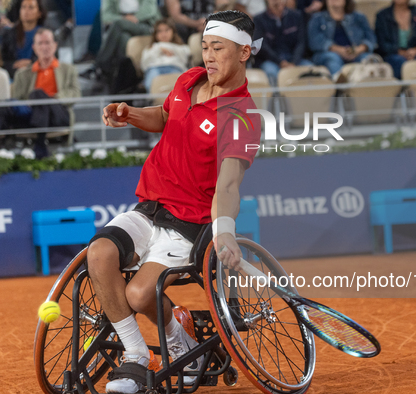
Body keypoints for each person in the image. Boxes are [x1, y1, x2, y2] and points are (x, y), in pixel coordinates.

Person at [93, 9, 261, 394]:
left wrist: (225, 231)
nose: (209, 56)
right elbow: (167, 116)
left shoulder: (245, 117)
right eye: (205, 47)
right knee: (99, 253)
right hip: (150, 206)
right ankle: (136, 354)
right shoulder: (188, 80)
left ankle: (184, 339)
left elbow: (230, 184)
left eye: (218, 48)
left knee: (138, 293)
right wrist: (132, 114)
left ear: (243, 52)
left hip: (190, 222)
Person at [0, 28, 80, 158]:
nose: (44, 47)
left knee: (38, 94)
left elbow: (75, 93)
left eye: (47, 43)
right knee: (3, 105)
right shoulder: (23, 74)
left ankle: (40, 143)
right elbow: (18, 99)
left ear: (55, 46)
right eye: (40, 43)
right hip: (32, 115)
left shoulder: (68, 70)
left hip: (58, 114)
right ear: (34, 48)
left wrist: (52, 98)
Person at [94, 0, 160, 79]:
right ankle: (122, 78)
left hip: (145, 24)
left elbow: (149, 10)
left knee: (118, 24)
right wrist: (123, 18)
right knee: (124, 38)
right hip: (122, 26)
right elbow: (106, 17)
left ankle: (100, 65)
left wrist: (132, 18)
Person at [307, 0, 376, 76]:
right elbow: (314, 42)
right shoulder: (317, 18)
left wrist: (358, 50)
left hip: (356, 52)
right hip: (329, 54)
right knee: (333, 58)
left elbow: (371, 39)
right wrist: (338, 50)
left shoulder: (359, 17)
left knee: (368, 58)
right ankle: (339, 82)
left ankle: (366, 85)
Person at [253, 0, 312, 85]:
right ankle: (275, 98)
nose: (277, 2)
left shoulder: (297, 15)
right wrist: (280, 62)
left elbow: (301, 42)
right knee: (270, 72)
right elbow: (262, 46)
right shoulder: (259, 19)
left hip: (294, 59)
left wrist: (294, 62)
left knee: (310, 69)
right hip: (271, 60)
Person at [375, 0, 416, 79]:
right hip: (393, 54)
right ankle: (399, 89)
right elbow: (382, 44)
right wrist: (400, 52)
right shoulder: (382, 15)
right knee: (399, 61)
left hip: (415, 52)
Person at [140, 19, 190, 92]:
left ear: (173, 31)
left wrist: (170, 49)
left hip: (174, 67)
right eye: (160, 31)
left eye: (167, 30)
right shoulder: (150, 48)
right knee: (151, 79)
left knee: (179, 83)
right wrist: (159, 49)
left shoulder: (182, 47)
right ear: (155, 34)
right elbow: (144, 65)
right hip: (154, 68)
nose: (163, 34)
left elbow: (186, 60)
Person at [0, 0, 46, 78]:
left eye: (31, 7)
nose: (26, 11)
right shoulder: (9, 34)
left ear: (39, 13)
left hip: (38, 75)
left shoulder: (46, 35)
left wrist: (31, 63)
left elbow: (50, 58)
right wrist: (13, 64)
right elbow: (2, 59)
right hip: (13, 75)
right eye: (23, 7)